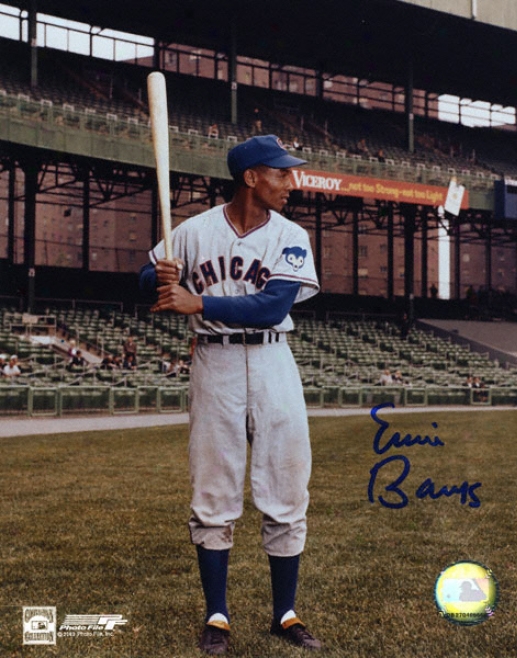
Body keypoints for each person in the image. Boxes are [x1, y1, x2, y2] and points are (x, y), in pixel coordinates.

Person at [139, 134, 322, 655]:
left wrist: (194, 299)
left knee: (287, 487)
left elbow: (270, 306)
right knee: (213, 491)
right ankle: (216, 615)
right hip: (213, 361)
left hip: (272, 359)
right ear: (250, 178)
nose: (292, 182)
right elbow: (144, 277)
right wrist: (159, 277)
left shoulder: (291, 234)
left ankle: (285, 613)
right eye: (281, 173)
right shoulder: (194, 231)